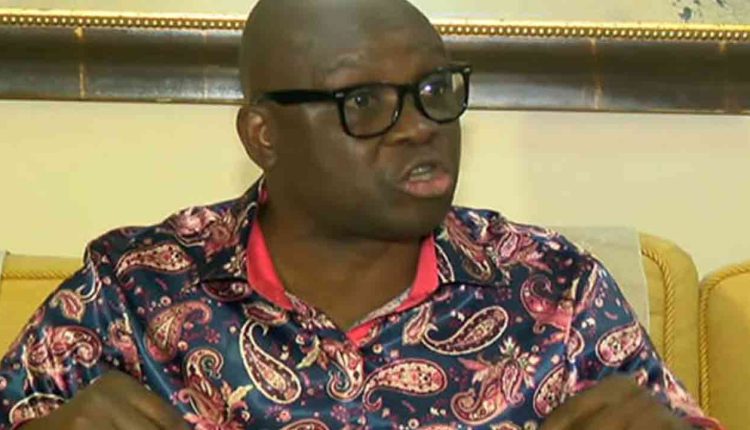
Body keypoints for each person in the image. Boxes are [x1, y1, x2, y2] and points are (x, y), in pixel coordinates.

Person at [0, 0, 723, 429]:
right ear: (264, 136)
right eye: (365, 102)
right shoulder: (135, 288)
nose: (419, 127)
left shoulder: (555, 292)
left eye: (434, 90)